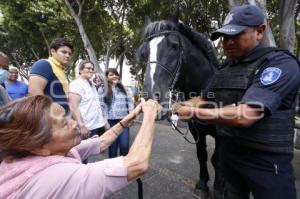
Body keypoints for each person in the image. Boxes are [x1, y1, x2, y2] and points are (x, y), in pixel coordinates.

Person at [173, 4, 300, 199]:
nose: (228, 42)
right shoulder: (224, 69)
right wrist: (176, 106)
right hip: (229, 155)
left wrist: (195, 112)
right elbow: (202, 98)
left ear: (260, 31)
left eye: (236, 34)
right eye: (225, 37)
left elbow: (247, 114)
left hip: (266, 162)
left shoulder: (280, 64)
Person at [0, 95, 160, 198]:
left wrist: (126, 121)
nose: (75, 123)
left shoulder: (47, 152)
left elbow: (101, 142)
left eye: (67, 117)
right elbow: (137, 164)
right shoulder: (55, 177)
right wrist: (150, 114)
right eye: (64, 124)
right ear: (37, 146)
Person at [28, 38, 73, 112]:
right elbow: (34, 94)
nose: (68, 55)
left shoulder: (61, 70)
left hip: (62, 118)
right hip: (50, 118)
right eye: (64, 52)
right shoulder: (43, 64)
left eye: (69, 54)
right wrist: (55, 113)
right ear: (52, 51)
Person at [99, 68, 134, 158]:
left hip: (124, 120)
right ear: (107, 78)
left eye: (116, 74)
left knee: (124, 146)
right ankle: (113, 169)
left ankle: (124, 166)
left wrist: (131, 117)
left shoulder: (125, 89)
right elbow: (101, 106)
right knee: (113, 148)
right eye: (111, 75)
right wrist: (105, 122)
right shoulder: (102, 89)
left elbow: (130, 103)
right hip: (110, 122)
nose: (114, 76)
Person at [69, 61, 106, 138]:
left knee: (98, 149)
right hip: (87, 128)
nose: (91, 70)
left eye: (92, 69)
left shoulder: (92, 85)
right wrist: (82, 126)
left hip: (98, 125)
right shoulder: (76, 84)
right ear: (80, 70)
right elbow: (73, 106)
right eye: (88, 68)